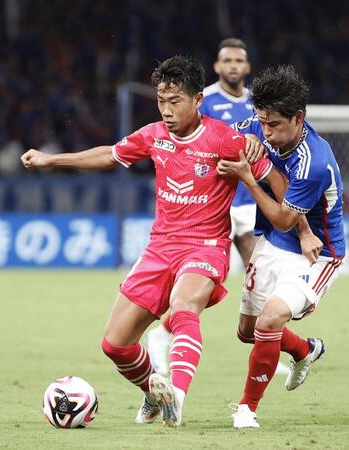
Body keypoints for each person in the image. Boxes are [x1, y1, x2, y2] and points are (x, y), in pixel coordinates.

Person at [21, 55, 283, 429]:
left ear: (197, 99)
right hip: (159, 248)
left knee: (182, 307)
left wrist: (298, 224)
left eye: (175, 101)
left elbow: (276, 179)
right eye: (162, 101)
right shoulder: (153, 135)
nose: (167, 110)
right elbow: (109, 155)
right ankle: (153, 393)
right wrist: (51, 160)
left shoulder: (226, 139)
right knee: (115, 343)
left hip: (205, 246)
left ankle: (175, 395)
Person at [146, 38, 289, 377]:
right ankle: (167, 333)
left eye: (240, 60)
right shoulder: (203, 100)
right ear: (218, 66)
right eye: (227, 61)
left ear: (247, 66)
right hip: (215, 206)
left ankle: (264, 344)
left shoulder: (257, 103)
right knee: (213, 285)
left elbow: (258, 143)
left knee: (259, 277)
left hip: (249, 202)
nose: (234, 66)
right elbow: (192, 145)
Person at [217, 65, 345, 428]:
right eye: (262, 122)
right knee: (248, 332)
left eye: (274, 125)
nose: (266, 132)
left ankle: (246, 409)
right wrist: (242, 143)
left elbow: (284, 218)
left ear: (298, 118)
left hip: (318, 255)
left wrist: (249, 173)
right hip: (274, 244)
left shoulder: (314, 162)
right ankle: (305, 350)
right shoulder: (260, 126)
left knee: (270, 318)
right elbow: (224, 138)